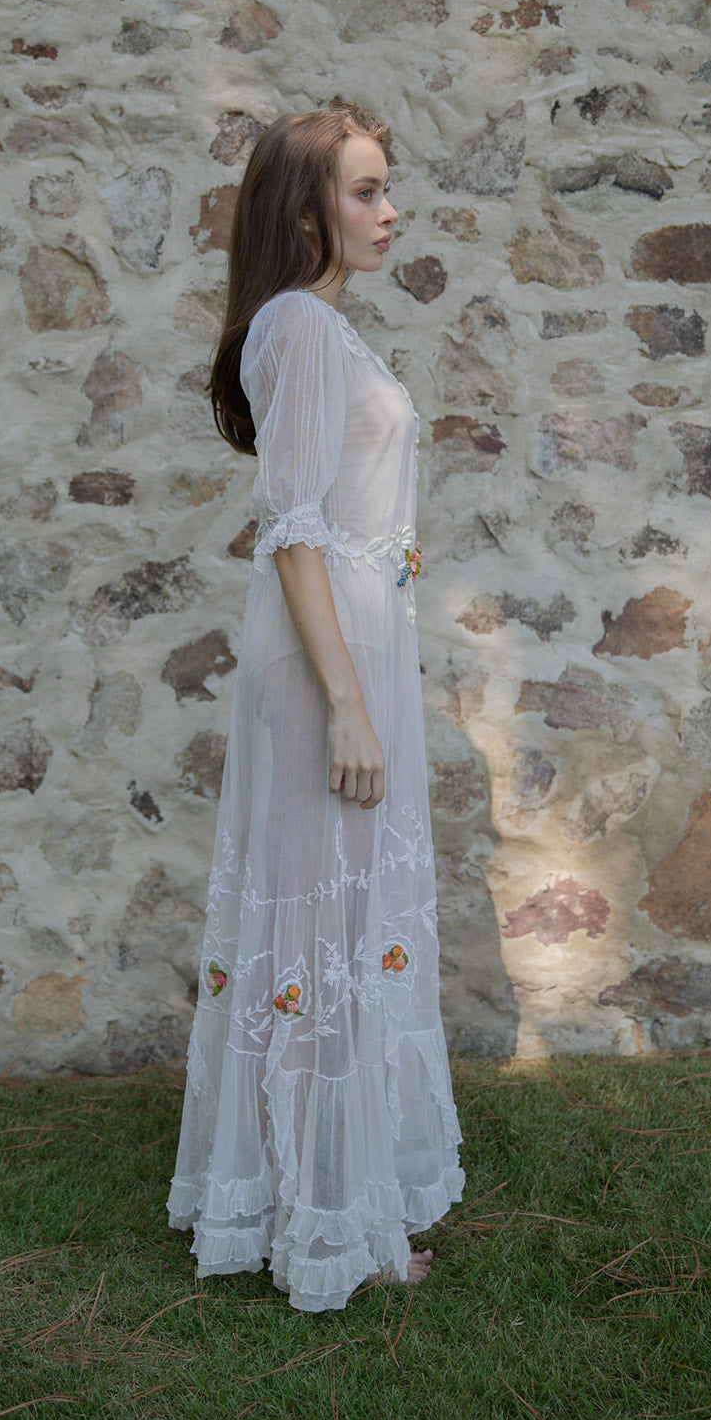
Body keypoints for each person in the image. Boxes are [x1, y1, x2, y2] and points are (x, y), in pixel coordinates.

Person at [167, 103, 464, 1313]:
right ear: (304, 212)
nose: (389, 211)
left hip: (358, 647)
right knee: (314, 935)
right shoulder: (296, 323)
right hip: (323, 668)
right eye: (364, 191)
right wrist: (347, 706)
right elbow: (290, 530)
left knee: (344, 933)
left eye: (387, 189)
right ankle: (315, 1223)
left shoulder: (324, 330)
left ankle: (345, 1203)